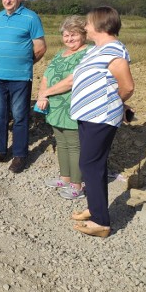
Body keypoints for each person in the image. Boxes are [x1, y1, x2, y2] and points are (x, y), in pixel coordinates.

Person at [68, 7, 134, 237]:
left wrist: (116, 104)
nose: (85, 27)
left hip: (101, 116)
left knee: (90, 164)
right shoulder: (97, 50)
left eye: (87, 23)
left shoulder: (114, 51)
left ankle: (101, 223)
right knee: (92, 164)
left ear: (100, 25)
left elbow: (127, 87)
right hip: (88, 115)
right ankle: (95, 208)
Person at [0, 0, 46, 173]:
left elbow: (41, 47)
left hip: (20, 77)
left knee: (19, 116)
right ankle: (0, 151)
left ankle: (20, 155)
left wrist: (24, 64)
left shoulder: (31, 18)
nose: (7, 0)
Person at [36, 16, 88, 199]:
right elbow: (46, 76)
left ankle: (77, 185)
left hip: (73, 107)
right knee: (62, 143)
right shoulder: (60, 54)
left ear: (83, 34)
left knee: (75, 146)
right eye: (66, 35)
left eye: (73, 35)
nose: (69, 39)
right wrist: (42, 94)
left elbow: (71, 81)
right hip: (55, 108)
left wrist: (46, 93)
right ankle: (65, 178)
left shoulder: (87, 54)